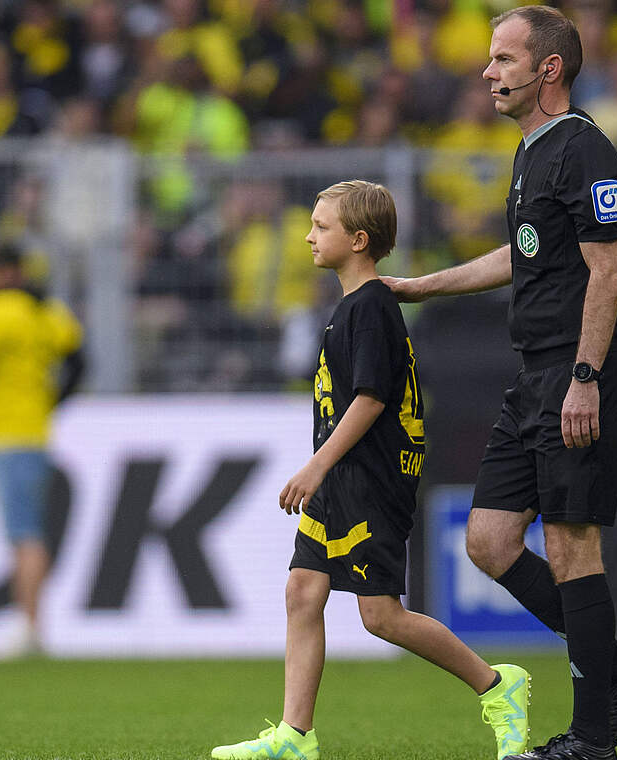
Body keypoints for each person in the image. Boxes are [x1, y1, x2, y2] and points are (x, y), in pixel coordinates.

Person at [383, 8, 617, 759]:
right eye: (488, 57)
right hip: (535, 372)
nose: (487, 71)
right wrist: (425, 285)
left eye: (504, 58)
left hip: (581, 374)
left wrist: (583, 378)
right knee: (489, 540)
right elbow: (524, 252)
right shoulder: (531, 150)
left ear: (549, 69)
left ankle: (592, 740)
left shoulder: (586, 149)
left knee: (574, 546)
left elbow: (608, 272)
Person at [211, 180, 532, 760]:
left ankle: (497, 684)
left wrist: (316, 465)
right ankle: (294, 736)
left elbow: (371, 398)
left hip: (370, 483)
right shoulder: (353, 306)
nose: (308, 235)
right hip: (343, 480)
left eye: (321, 226)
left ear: (359, 241)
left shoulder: (371, 307)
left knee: (381, 617)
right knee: (302, 591)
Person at [0, 242, 84, 656]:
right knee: (27, 531)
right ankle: (30, 623)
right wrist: (51, 399)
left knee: (23, 534)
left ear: (4, 272)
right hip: (34, 431)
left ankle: (28, 625)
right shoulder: (47, 311)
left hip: (3, 433)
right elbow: (80, 359)